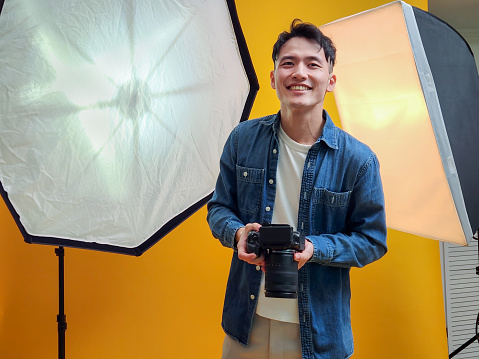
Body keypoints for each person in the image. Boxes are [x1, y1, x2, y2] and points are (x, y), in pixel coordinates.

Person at [207, 19, 387, 359]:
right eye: (288, 63)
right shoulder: (242, 140)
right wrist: (237, 234)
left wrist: (313, 248)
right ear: (273, 77)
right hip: (247, 323)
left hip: (318, 333)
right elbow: (218, 209)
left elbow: (372, 241)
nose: (299, 73)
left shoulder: (358, 160)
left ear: (330, 81)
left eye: (312, 64)